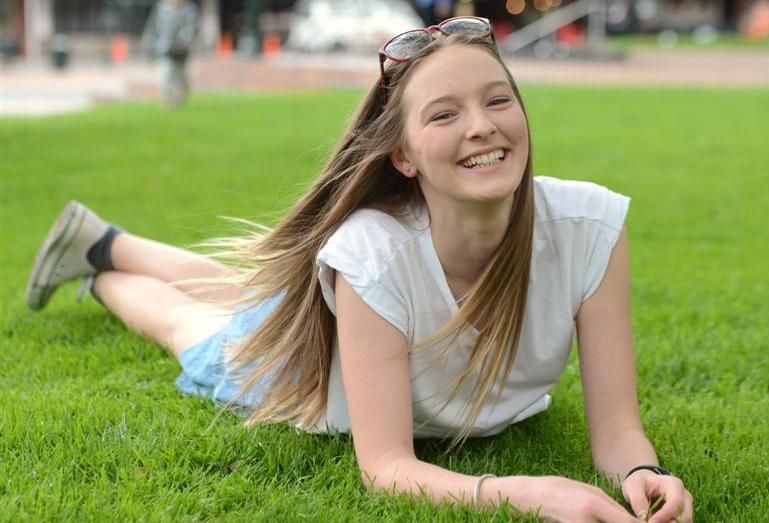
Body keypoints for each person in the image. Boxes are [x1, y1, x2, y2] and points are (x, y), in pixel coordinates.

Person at [26, 17, 693, 522]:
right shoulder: (373, 252)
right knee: (191, 322)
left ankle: (102, 239)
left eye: (498, 100)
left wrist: (640, 468)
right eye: (444, 113)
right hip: (302, 375)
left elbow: (616, 428)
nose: (483, 127)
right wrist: (530, 492)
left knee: (254, 290)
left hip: (359, 316)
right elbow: (387, 467)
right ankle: (101, 269)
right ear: (402, 154)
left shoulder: (591, 228)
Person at [142, 0, 199, 108]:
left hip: (182, 52)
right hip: (164, 49)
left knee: (181, 77)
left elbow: (191, 28)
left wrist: (182, 43)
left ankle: (180, 97)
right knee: (165, 75)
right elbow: (152, 26)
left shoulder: (189, 10)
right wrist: (149, 46)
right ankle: (167, 100)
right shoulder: (161, 8)